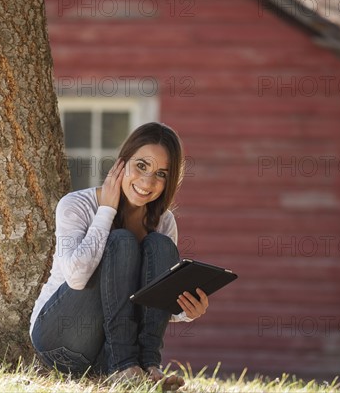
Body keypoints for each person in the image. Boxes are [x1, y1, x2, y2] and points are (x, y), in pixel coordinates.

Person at [29, 122, 209, 390]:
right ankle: (125, 366)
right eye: (141, 166)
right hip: (61, 340)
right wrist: (106, 212)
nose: (148, 182)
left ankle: (148, 367)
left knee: (159, 245)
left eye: (161, 174)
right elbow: (77, 280)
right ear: (122, 163)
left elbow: (144, 300)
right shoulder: (75, 205)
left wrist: (186, 312)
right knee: (122, 241)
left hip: (108, 354)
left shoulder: (163, 222)